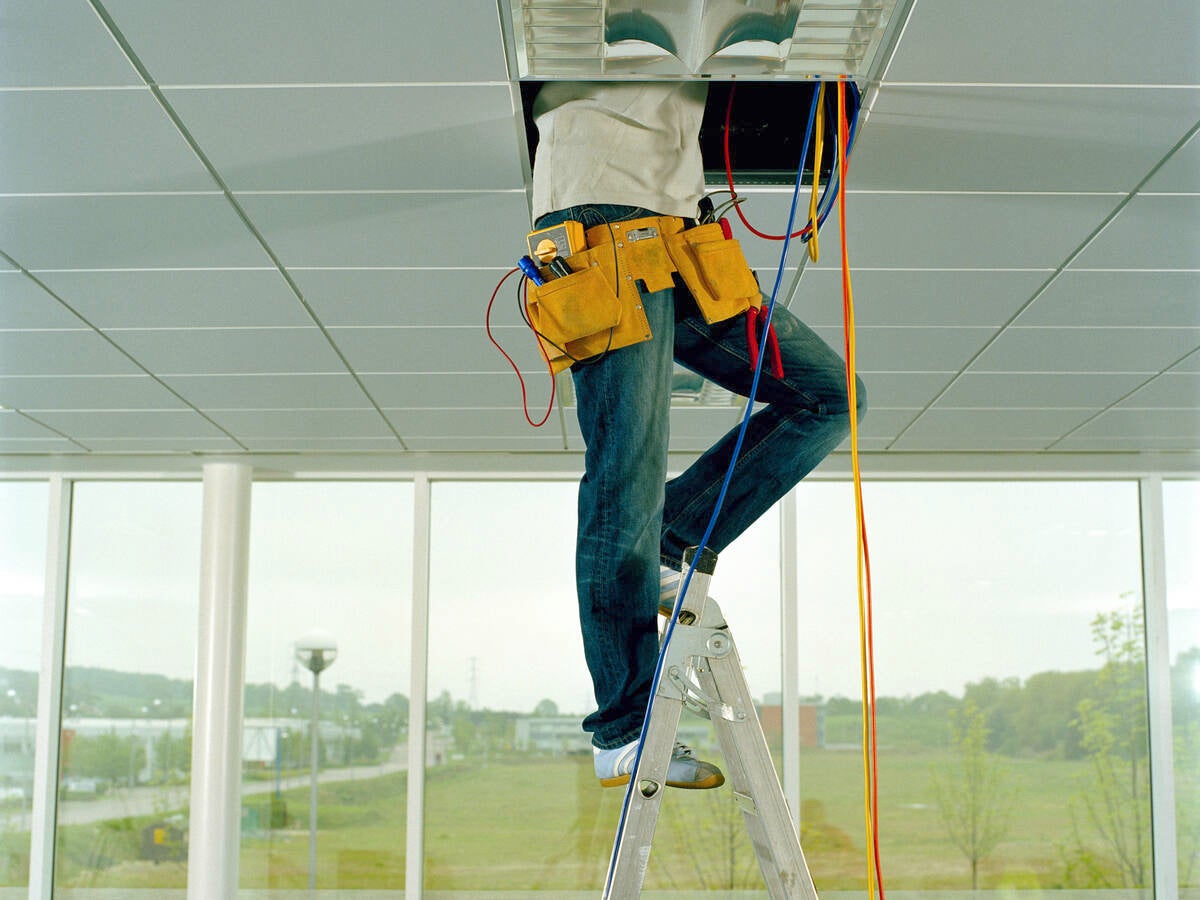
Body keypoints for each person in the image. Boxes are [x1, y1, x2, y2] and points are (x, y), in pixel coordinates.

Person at [530, 81, 866, 789]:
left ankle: (670, 534)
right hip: (600, 216)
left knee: (831, 397)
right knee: (627, 467)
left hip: (678, 224)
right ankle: (622, 729)